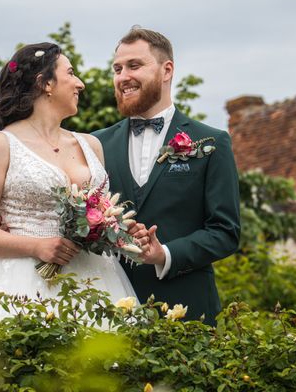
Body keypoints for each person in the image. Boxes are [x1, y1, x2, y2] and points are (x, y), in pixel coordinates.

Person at [0, 42, 137, 321]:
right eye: (71, 73)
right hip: (24, 282)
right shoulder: (1, 146)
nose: (81, 84)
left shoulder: (91, 145)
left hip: (98, 280)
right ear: (45, 83)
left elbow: (100, 211)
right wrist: (35, 246)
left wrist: (114, 229)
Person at [92, 27, 241, 326]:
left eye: (134, 66)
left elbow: (226, 232)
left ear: (166, 70)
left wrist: (165, 255)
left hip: (188, 314)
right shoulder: (94, 145)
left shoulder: (210, 143)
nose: (123, 77)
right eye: (117, 69)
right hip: (108, 314)